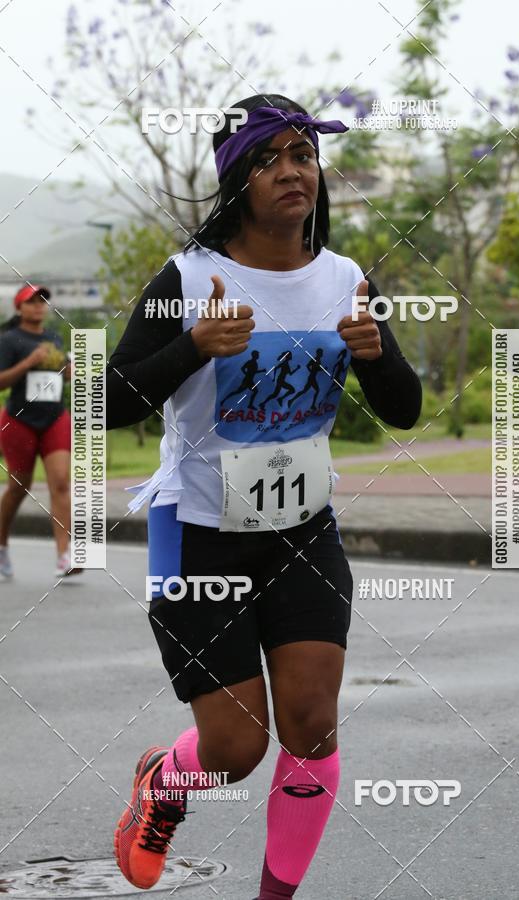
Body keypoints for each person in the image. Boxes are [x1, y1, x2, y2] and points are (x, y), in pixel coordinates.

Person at [108, 94, 422, 899]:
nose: (292, 171)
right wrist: (192, 345)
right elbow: (106, 403)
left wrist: (378, 356)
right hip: (197, 531)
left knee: (312, 725)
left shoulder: (345, 279)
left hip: (304, 532)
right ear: (236, 180)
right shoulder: (187, 278)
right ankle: (163, 781)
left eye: (303, 155)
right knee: (235, 749)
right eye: (268, 158)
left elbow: (404, 410)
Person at [0, 284, 80, 578]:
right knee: (18, 487)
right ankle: (1, 546)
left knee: (60, 482)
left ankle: (64, 555)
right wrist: (28, 363)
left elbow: (56, 376)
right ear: (19, 307)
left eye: (42, 301)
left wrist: (68, 373)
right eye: (31, 301)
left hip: (54, 418)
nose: (38, 306)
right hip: (19, 421)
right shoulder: (9, 340)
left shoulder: (54, 338)